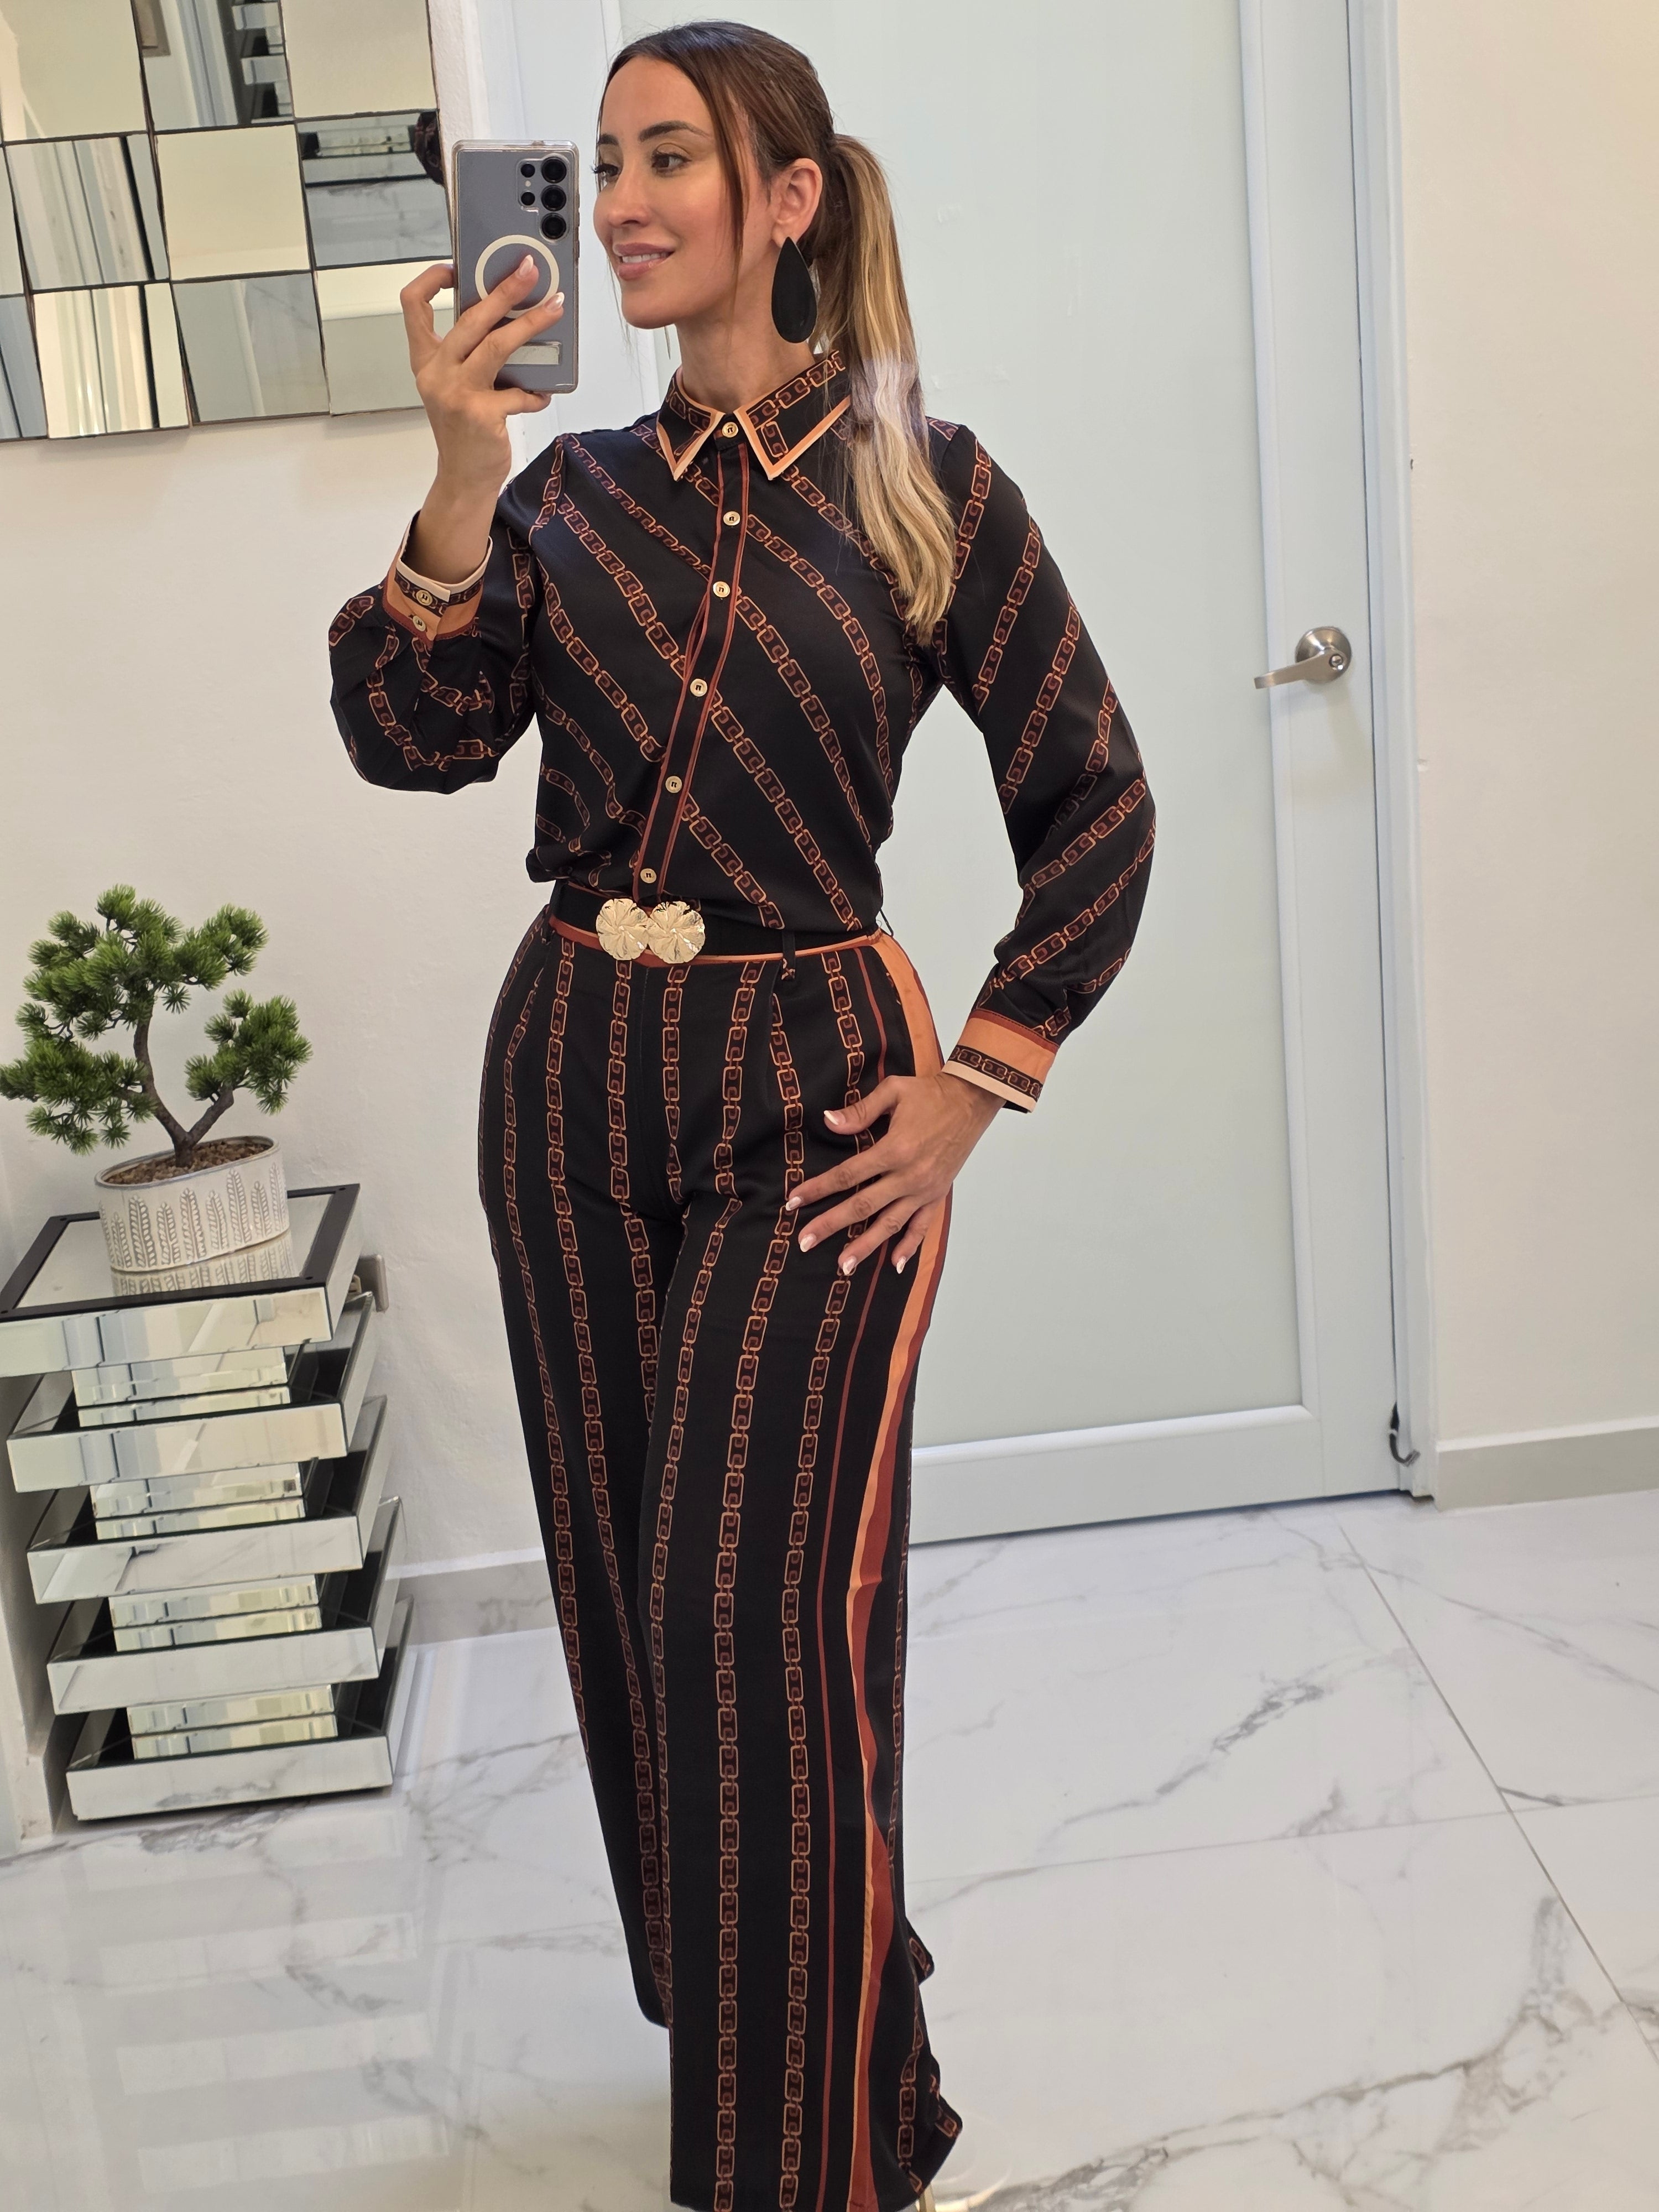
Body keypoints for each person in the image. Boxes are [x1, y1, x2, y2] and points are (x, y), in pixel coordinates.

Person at [328, 21, 1154, 2211]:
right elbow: (414, 738)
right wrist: (456, 472)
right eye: (602, 161)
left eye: (669, 157)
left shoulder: (928, 484)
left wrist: (983, 1079)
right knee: (629, 1600)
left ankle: (805, 2167)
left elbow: (1097, 800)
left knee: (755, 1610)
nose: (617, 202)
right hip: (570, 1079)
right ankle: (807, 2038)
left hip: (819, 1090)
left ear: (788, 198)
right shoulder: (566, 495)